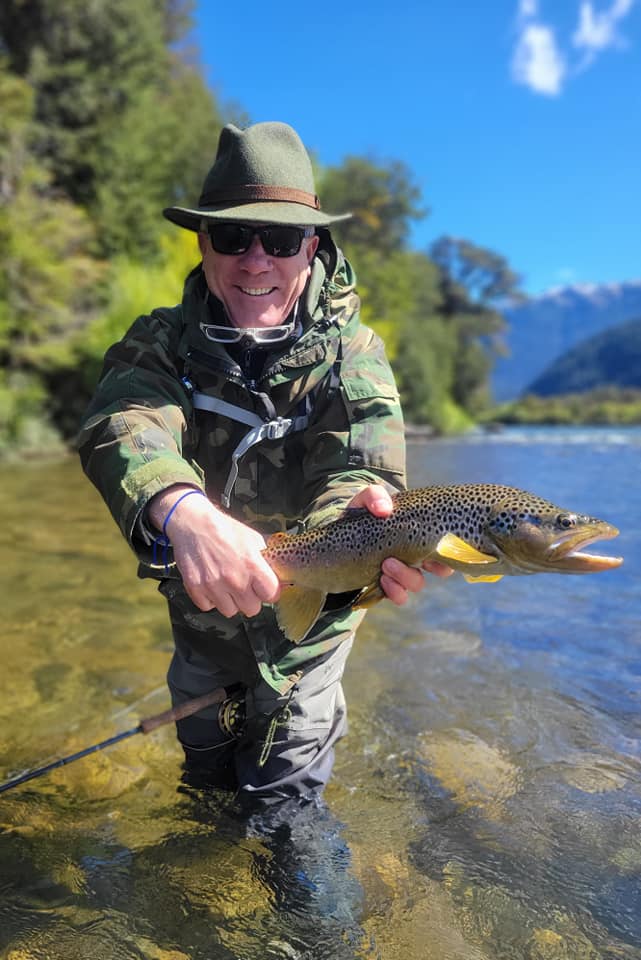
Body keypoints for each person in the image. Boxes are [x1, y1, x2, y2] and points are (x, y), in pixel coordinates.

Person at [78, 121, 450, 807]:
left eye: (279, 240)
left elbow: (362, 468)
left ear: (311, 247)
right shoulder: (158, 342)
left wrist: (370, 536)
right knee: (204, 797)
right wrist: (182, 510)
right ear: (203, 241)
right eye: (233, 237)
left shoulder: (354, 352)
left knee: (287, 825)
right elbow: (121, 423)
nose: (255, 261)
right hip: (200, 632)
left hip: (311, 648)